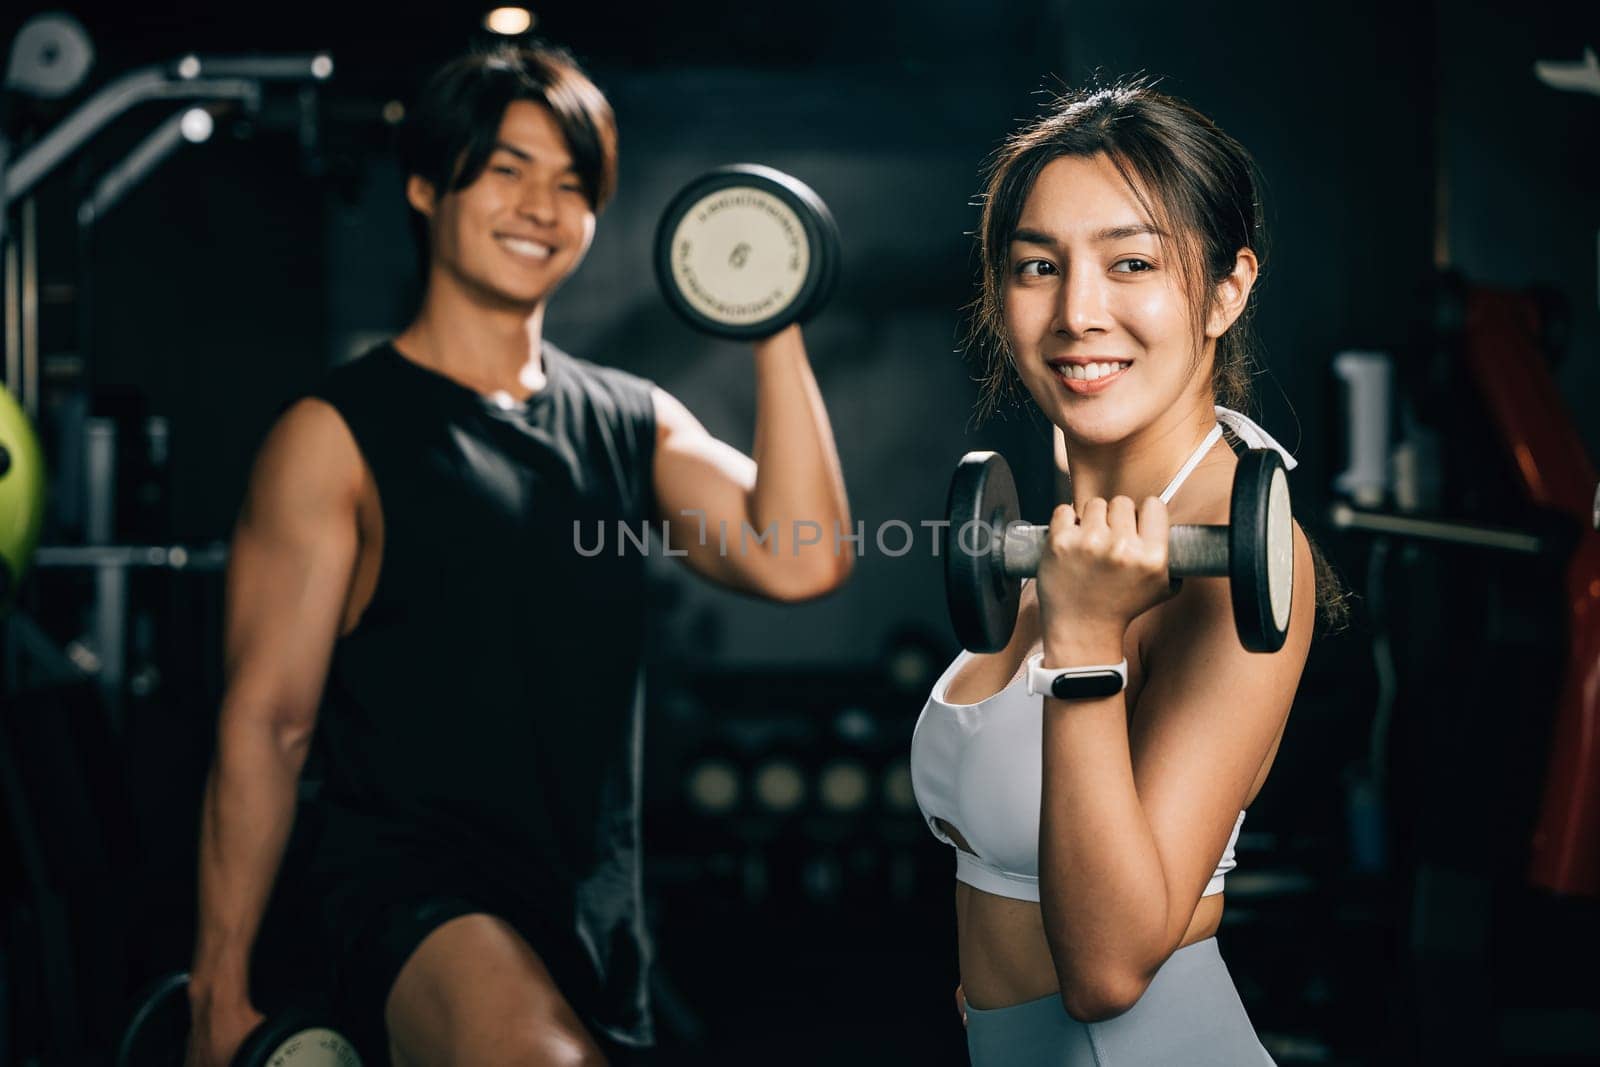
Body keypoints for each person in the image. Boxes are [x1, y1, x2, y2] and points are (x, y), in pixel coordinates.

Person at [184, 43, 853, 1067]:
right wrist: (217, 988)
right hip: (407, 892)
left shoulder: (631, 420)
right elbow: (269, 721)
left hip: (594, 910)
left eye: (572, 183)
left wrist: (771, 312)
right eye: (505, 169)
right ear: (423, 185)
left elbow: (800, 556)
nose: (542, 204)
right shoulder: (334, 433)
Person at [910, 79, 1346, 1065]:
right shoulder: (1075, 535)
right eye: (1036, 266)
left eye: (1132, 262)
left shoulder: (1237, 549)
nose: (1077, 311)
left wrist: (1083, 642)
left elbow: (1108, 969)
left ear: (1228, 288)